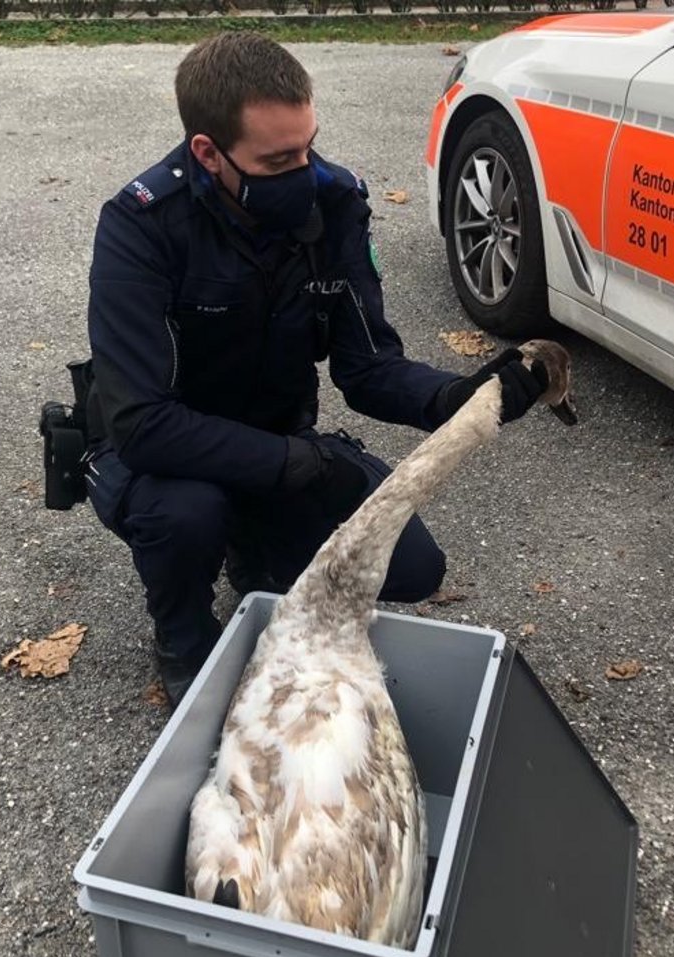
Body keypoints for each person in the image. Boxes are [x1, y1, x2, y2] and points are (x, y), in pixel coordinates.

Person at [83, 31, 547, 705]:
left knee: (414, 567)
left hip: (277, 441)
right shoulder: (141, 226)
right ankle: (181, 638)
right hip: (164, 460)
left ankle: (253, 548)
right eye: (278, 160)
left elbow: (368, 368)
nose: (305, 170)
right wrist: (297, 464)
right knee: (187, 515)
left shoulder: (333, 205)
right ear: (208, 154)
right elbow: (143, 424)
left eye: (308, 145)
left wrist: (460, 396)